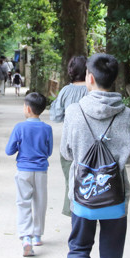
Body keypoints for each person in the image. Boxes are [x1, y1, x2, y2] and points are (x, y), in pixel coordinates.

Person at [61, 53, 130, 258]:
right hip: (114, 197)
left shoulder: (74, 111)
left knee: (79, 248)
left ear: (89, 79)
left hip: (82, 197)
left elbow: (67, 153)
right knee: (112, 253)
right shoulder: (126, 113)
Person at [5, 92, 53, 257]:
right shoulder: (47, 128)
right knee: (40, 202)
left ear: (27, 108)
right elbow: (49, 151)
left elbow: (9, 150)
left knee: (23, 202)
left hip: (24, 170)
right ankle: (38, 235)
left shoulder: (20, 127)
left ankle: (26, 237)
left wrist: (20, 146)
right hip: (41, 170)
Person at [49, 55, 88, 216]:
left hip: (69, 143)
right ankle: (90, 209)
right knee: (89, 176)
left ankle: (71, 210)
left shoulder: (65, 90)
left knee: (69, 178)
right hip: (89, 141)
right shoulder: (91, 90)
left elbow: (56, 117)